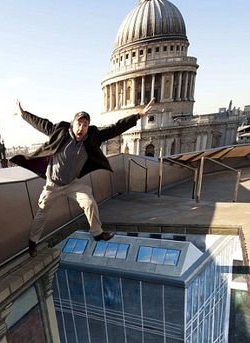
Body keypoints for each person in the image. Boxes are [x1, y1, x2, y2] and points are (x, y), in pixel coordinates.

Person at [10, 98, 156, 256]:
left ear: (88, 127)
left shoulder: (93, 137)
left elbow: (115, 128)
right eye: (79, 124)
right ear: (72, 124)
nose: (81, 127)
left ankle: (97, 233)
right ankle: (32, 242)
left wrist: (138, 116)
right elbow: (40, 123)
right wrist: (23, 114)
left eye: (85, 125)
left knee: (89, 202)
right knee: (42, 212)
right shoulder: (60, 132)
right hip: (53, 184)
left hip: (72, 184)